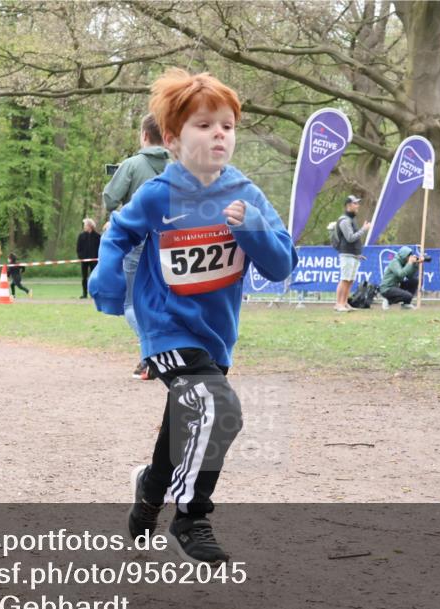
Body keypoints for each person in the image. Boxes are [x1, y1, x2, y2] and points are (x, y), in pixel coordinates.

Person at [89, 68, 298, 563]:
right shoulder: (159, 193)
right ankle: (192, 516)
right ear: (173, 138)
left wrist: (252, 232)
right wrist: (111, 280)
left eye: (227, 124)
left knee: (183, 425)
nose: (219, 133)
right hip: (165, 328)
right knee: (220, 407)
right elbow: (118, 232)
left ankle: (148, 497)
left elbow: (282, 263)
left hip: (216, 335)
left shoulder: (247, 194)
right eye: (204, 125)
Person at [103, 113, 173, 378]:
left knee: (131, 304)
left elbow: (110, 199)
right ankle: (167, 353)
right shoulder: (177, 166)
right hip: (171, 243)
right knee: (164, 300)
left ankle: (153, 354)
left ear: (144, 135)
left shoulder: (132, 164)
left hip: (139, 241)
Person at [333, 195, 371, 312]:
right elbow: (350, 238)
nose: (357, 205)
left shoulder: (351, 220)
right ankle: (338, 304)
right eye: (355, 203)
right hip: (346, 254)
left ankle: (344, 303)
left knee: (350, 280)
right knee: (345, 279)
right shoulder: (344, 220)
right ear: (348, 205)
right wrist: (364, 229)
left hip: (353, 255)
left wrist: (358, 254)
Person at [75, 219, 101, 299]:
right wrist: (81, 257)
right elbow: (78, 248)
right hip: (84, 260)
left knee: (94, 277)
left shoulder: (97, 236)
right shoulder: (81, 236)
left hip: (94, 260)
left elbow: (100, 248)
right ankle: (84, 293)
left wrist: (97, 257)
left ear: (90, 226)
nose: (84, 227)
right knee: (84, 277)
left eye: (85, 225)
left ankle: (95, 293)